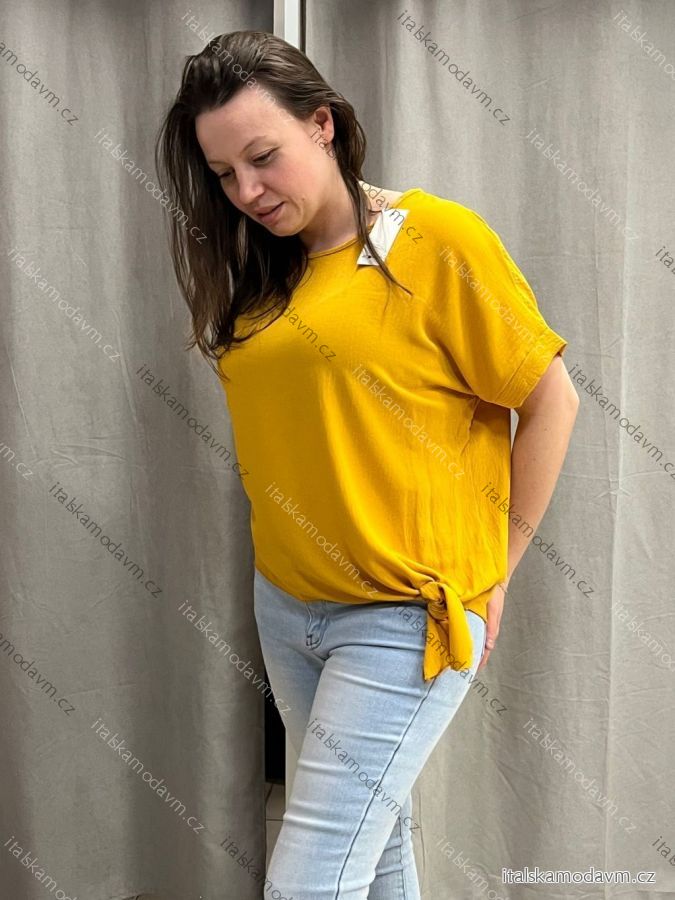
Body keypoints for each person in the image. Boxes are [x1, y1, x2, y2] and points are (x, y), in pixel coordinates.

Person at [156, 29, 579, 900]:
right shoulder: (267, 270)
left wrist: (496, 570)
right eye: (224, 174)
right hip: (287, 605)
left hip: (405, 618)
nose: (247, 191)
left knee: (310, 881)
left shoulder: (434, 240)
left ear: (323, 125)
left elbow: (550, 402)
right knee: (373, 854)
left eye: (263, 158)